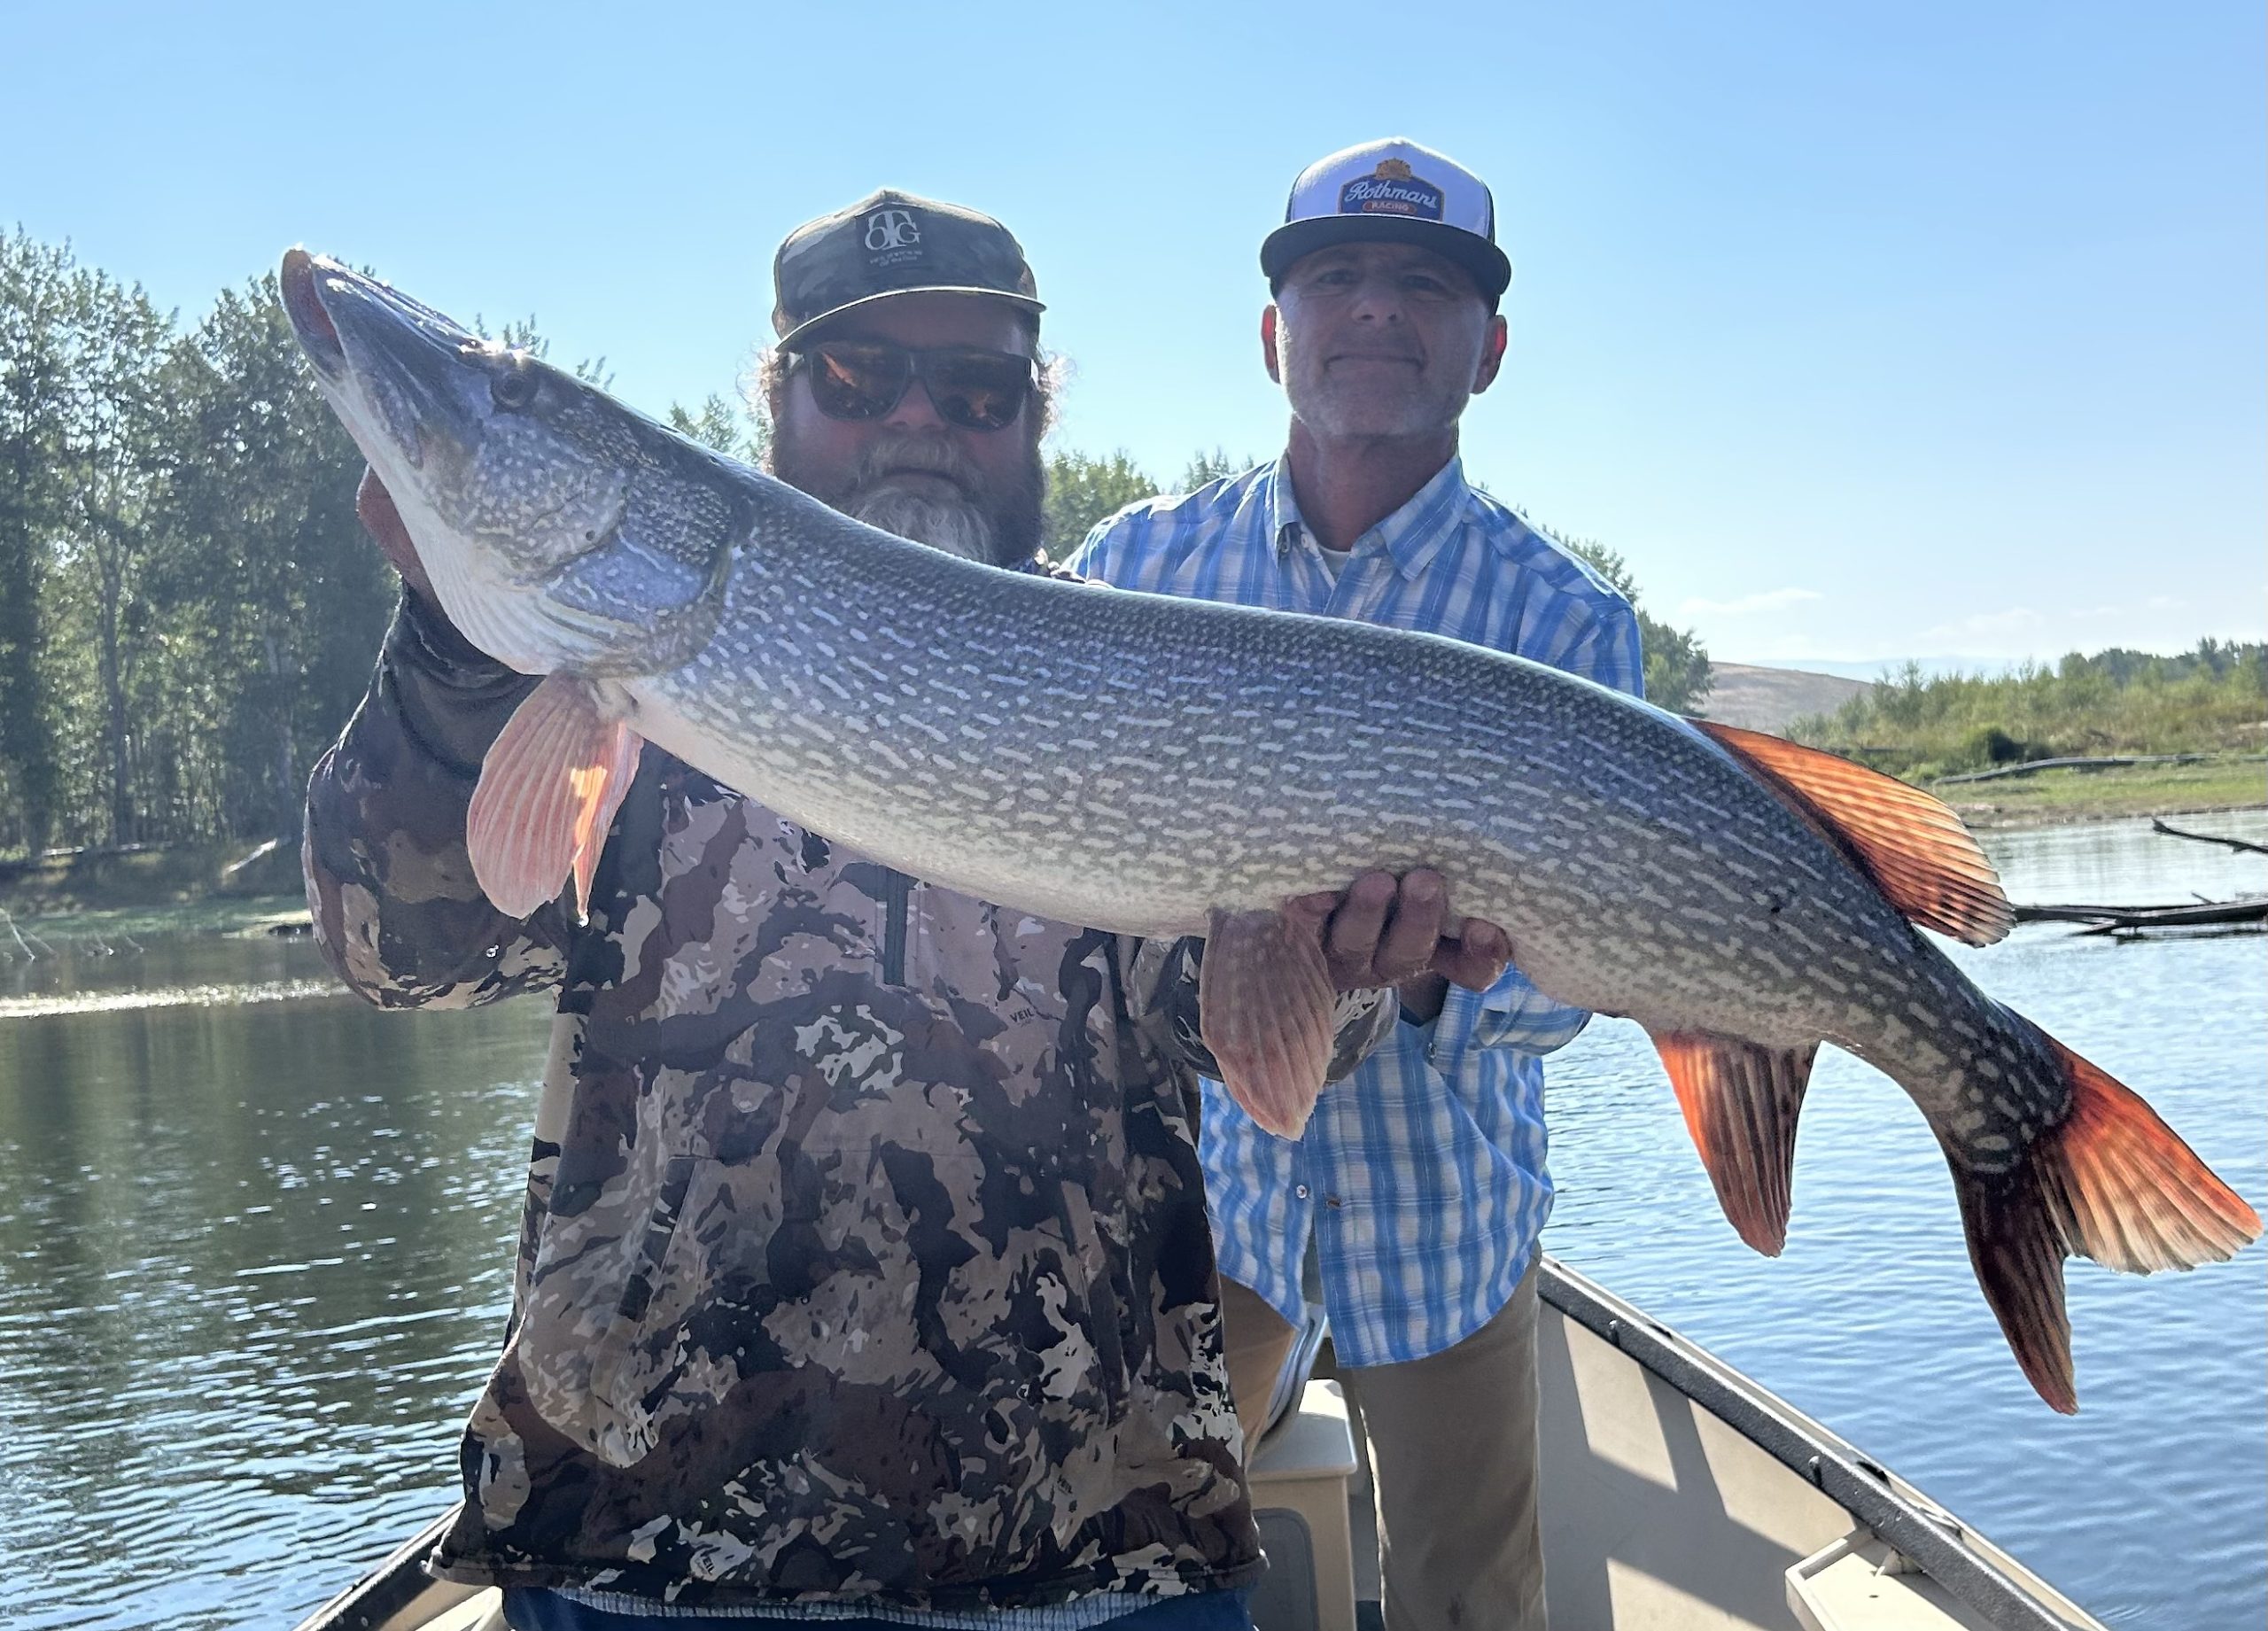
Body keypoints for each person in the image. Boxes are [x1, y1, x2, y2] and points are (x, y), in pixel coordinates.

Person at [304, 188, 1509, 1630]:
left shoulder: (1144, 680)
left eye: (977, 387)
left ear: (1034, 413)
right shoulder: (602, 688)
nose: (920, 419)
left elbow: (1251, 1033)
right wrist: (455, 640)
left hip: (1093, 1547)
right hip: (649, 1552)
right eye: (857, 375)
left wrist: (1357, 961)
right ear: (775, 404)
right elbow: (405, 952)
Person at [1070, 140, 1646, 1631]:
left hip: (1448, 1219)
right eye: (1336, 276)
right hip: (1207, 1212)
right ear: (1275, 334)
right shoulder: (1133, 568)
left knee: (1472, 1608)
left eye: (1426, 284)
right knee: (1135, 1561)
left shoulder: (1570, 623)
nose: (1378, 307)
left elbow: (1574, 983)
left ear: (1489, 349)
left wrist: (1432, 987)